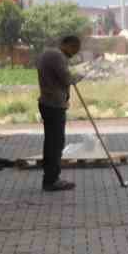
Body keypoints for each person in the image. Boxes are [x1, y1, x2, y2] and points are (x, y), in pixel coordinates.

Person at [36, 34, 82, 192]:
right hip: (54, 104)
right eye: (74, 49)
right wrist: (78, 76)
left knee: (51, 142)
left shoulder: (49, 54)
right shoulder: (57, 56)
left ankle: (50, 178)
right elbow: (66, 78)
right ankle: (51, 180)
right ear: (67, 44)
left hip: (49, 102)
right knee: (56, 143)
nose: (74, 53)